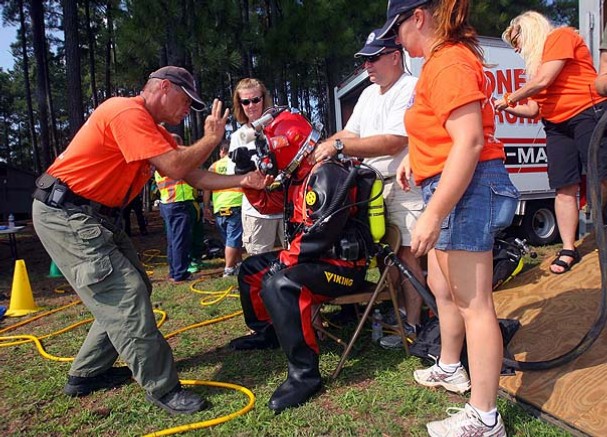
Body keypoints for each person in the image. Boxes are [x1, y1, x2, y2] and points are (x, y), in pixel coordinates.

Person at [32, 66, 268, 415]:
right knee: (125, 294)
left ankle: (86, 373)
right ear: (162, 88)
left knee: (132, 288)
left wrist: (244, 180)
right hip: (66, 213)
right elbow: (175, 166)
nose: (188, 110)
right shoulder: (125, 111)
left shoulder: (153, 131)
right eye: (186, 101)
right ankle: (164, 388)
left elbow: (192, 174)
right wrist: (209, 140)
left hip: (92, 215)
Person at [379, 1, 519, 435]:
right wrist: (414, 163)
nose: (397, 41)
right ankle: (452, 367)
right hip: (451, 183)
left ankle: (485, 417)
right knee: (443, 286)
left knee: (474, 304)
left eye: (397, 30)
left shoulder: (449, 61)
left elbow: (470, 141)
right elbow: (442, 134)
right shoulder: (440, 62)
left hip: (467, 187)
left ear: (417, 18)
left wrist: (433, 213)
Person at [228, 108, 377, 413]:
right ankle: (267, 331)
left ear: (290, 144)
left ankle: (305, 374)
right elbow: (271, 206)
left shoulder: (327, 173)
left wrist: (284, 261)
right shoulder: (300, 176)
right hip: (317, 262)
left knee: (279, 283)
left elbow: (319, 233)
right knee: (252, 269)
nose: (267, 157)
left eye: (269, 150)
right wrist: (246, 179)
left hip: (344, 270)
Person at [313, 28, 425, 337]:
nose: (368, 66)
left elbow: (392, 142)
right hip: (373, 187)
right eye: (365, 60)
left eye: (373, 58)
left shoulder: (410, 88)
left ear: (394, 56)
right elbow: (350, 134)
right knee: (383, 254)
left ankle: (413, 324)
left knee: (405, 254)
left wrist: (337, 147)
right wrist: (318, 149)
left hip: (404, 184)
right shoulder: (367, 94)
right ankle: (399, 313)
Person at [495, 11, 607, 274]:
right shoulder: (534, 69)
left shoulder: (561, 36)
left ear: (530, 31)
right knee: (562, 186)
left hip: (586, 112)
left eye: (517, 40)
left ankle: (603, 226)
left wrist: (510, 98)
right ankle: (568, 248)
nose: (517, 48)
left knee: (600, 175)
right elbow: (534, 109)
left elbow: (545, 80)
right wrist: (506, 108)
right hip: (556, 124)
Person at [229, 78, 285, 255]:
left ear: (264, 99)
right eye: (245, 101)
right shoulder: (238, 137)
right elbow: (234, 179)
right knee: (259, 265)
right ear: (240, 104)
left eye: (256, 100)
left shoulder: (280, 127)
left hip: (287, 208)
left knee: (297, 262)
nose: (251, 105)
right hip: (256, 212)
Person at [154, 133, 201, 283]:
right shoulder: (174, 163)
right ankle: (180, 273)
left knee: (173, 240)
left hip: (168, 203)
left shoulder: (161, 162)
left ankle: (174, 271)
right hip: (179, 203)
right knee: (181, 239)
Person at [204, 140, 244, 277]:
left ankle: (239, 263)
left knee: (230, 239)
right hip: (235, 204)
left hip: (220, 207)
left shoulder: (213, 166)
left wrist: (206, 207)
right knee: (233, 239)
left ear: (222, 151)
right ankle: (229, 269)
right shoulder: (237, 163)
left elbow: (207, 188)